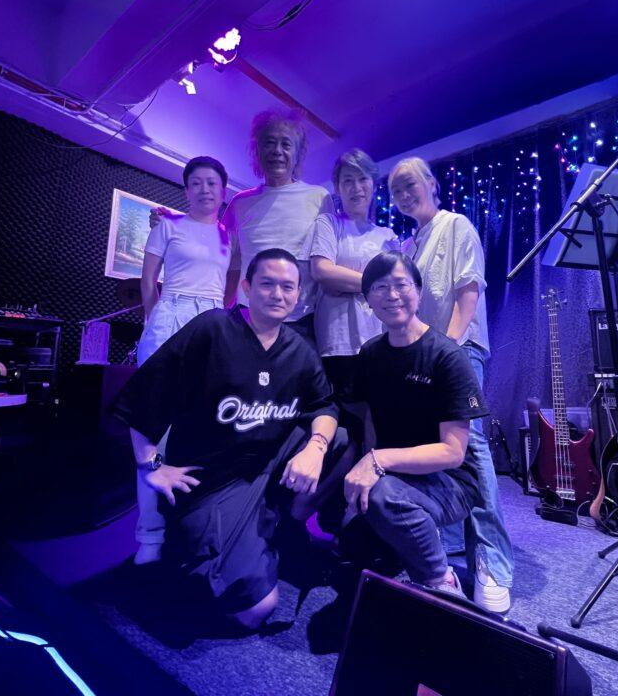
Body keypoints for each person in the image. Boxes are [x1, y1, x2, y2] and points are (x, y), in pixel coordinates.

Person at [110, 249, 340, 629]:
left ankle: (282, 527)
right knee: (255, 610)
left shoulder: (299, 350)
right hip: (211, 484)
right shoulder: (213, 329)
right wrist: (151, 465)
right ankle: (213, 552)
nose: (278, 294)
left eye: (287, 287)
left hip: (265, 470)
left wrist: (315, 448)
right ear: (246, 287)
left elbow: (324, 406)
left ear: (298, 295)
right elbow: (144, 395)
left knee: (339, 440)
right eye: (267, 284)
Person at [388, 156, 514, 614]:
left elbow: (468, 294)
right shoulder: (407, 244)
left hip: (459, 352)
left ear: (431, 183)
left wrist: (449, 353)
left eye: (410, 184)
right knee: (434, 449)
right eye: (395, 190)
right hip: (424, 358)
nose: (404, 194)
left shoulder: (456, 224)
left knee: (472, 448)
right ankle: (438, 552)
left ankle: (492, 563)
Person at [341, 251, 485, 597]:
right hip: (396, 474)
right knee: (353, 547)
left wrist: (377, 461)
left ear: (418, 292)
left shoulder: (447, 356)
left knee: (384, 498)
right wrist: (368, 465)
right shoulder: (371, 354)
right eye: (380, 287)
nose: (392, 295)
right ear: (368, 300)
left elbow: (452, 453)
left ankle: (441, 581)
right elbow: (370, 417)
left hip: (450, 481)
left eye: (401, 285)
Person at [133, 156, 232, 565]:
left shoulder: (230, 235)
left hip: (212, 321)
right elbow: (147, 280)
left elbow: (230, 284)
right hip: (169, 316)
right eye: (196, 182)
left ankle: (191, 527)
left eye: (212, 183)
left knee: (207, 427)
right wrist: (155, 320)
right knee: (153, 429)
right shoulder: (168, 225)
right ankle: (149, 534)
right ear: (186, 189)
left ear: (223, 191)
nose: (205, 189)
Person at [221, 108, 333, 342]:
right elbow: (222, 259)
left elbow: (327, 261)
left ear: (298, 153)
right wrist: (170, 222)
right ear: (257, 151)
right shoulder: (239, 203)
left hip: (299, 322)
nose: (277, 151)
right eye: (269, 143)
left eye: (286, 144)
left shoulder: (319, 198)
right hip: (246, 320)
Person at [310, 149, 399, 401]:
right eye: (347, 180)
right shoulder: (328, 223)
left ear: (373, 184)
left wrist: (341, 281)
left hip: (379, 338)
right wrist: (374, 285)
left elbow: (395, 287)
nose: (356, 188)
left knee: (379, 415)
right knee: (342, 416)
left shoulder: (387, 236)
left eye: (362, 179)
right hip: (336, 341)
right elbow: (322, 270)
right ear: (338, 188)